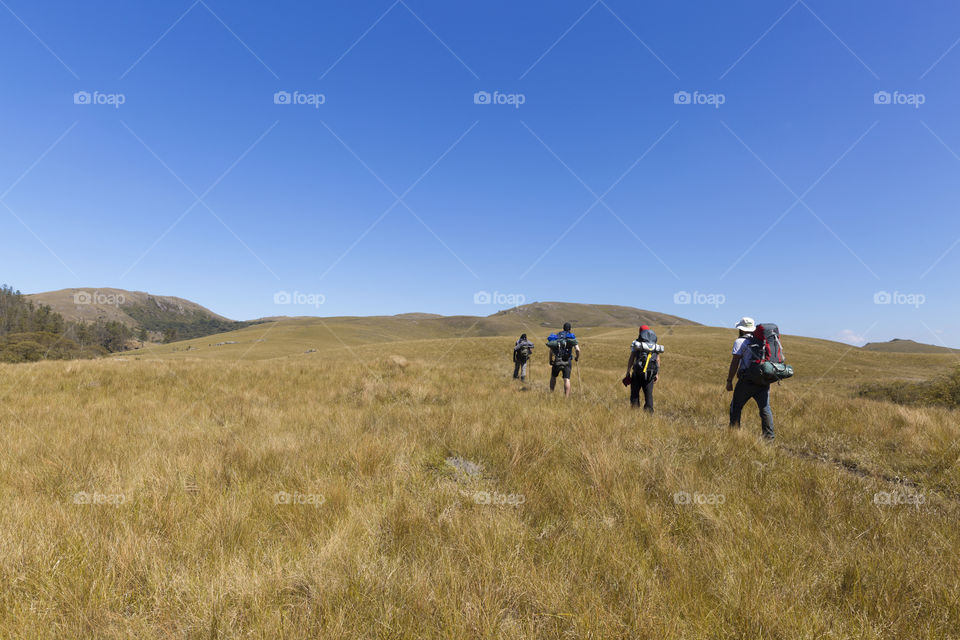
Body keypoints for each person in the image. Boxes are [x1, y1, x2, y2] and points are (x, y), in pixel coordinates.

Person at [726, 316, 775, 439]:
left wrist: (729, 380)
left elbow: (735, 362)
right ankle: (769, 438)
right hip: (763, 379)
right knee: (765, 409)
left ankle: (734, 435)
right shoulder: (761, 341)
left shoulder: (740, 342)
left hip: (747, 380)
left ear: (741, 329)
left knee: (736, 406)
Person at [626, 325, 660, 413]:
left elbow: (632, 358)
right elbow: (657, 359)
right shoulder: (654, 345)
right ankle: (649, 416)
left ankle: (634, 413)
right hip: (650, 374)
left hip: (637, 373)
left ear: (640, 332)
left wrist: (628, 372)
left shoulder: (636, 343)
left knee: (635, 394)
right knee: (648, 395)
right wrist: (656, 374)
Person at [548, 322, 580, 397]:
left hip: (557, 360)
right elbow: (578, 350)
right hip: (567, 360)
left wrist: (550, 360)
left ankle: (551, 394)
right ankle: (566, 397)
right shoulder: (571, 337)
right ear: (570, 329)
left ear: (563, 328)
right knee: (566, 379)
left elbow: (551, 350)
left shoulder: (558, 336)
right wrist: (577, 358)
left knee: (553, 377)